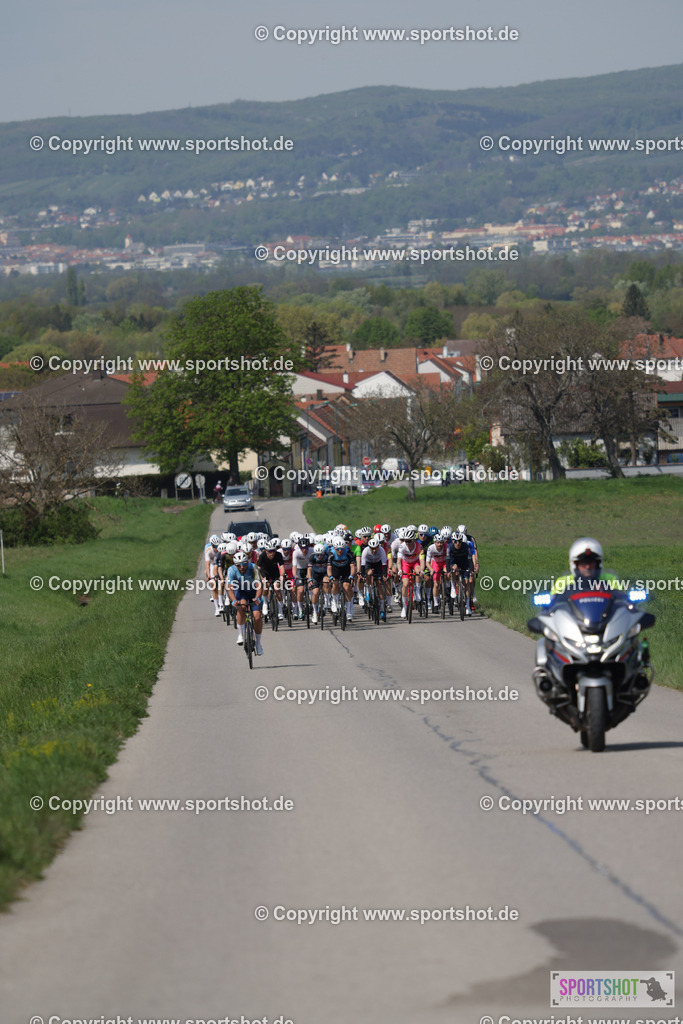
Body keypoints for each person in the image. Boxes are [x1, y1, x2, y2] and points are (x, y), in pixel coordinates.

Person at [550, 538, 624, 595]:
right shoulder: (563, 582)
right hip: (572, 614)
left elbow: (621, 600)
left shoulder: (610, 580)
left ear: (598, 564)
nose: (587, 567)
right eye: (583, 563)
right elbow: (553, 606)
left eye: (591, 562)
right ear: (575, 564)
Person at [227, 550, 264, 655]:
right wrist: (234, 600)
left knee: (257, 617)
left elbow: (259, 585)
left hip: (253, 592)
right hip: (241, 591)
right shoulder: (231, 570)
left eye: (244, 564)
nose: (242, 567)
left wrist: (257, 597)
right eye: (239, 565)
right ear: (235, 565)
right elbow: (229, 588)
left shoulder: (253, 568)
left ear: (247, 562)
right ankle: (240, 634)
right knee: (241, 607)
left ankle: (258, 643)